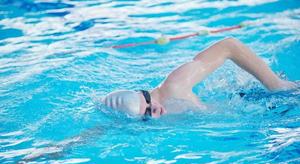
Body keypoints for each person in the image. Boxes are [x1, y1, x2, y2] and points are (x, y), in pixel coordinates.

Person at [103, 37, 296, 119]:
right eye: (146, 114)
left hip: (255, 96)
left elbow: (229, 45)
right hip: (248, 110)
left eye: (146, 101)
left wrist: (275, 84)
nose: (153, 109)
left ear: (143, 92)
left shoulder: (174, 87)